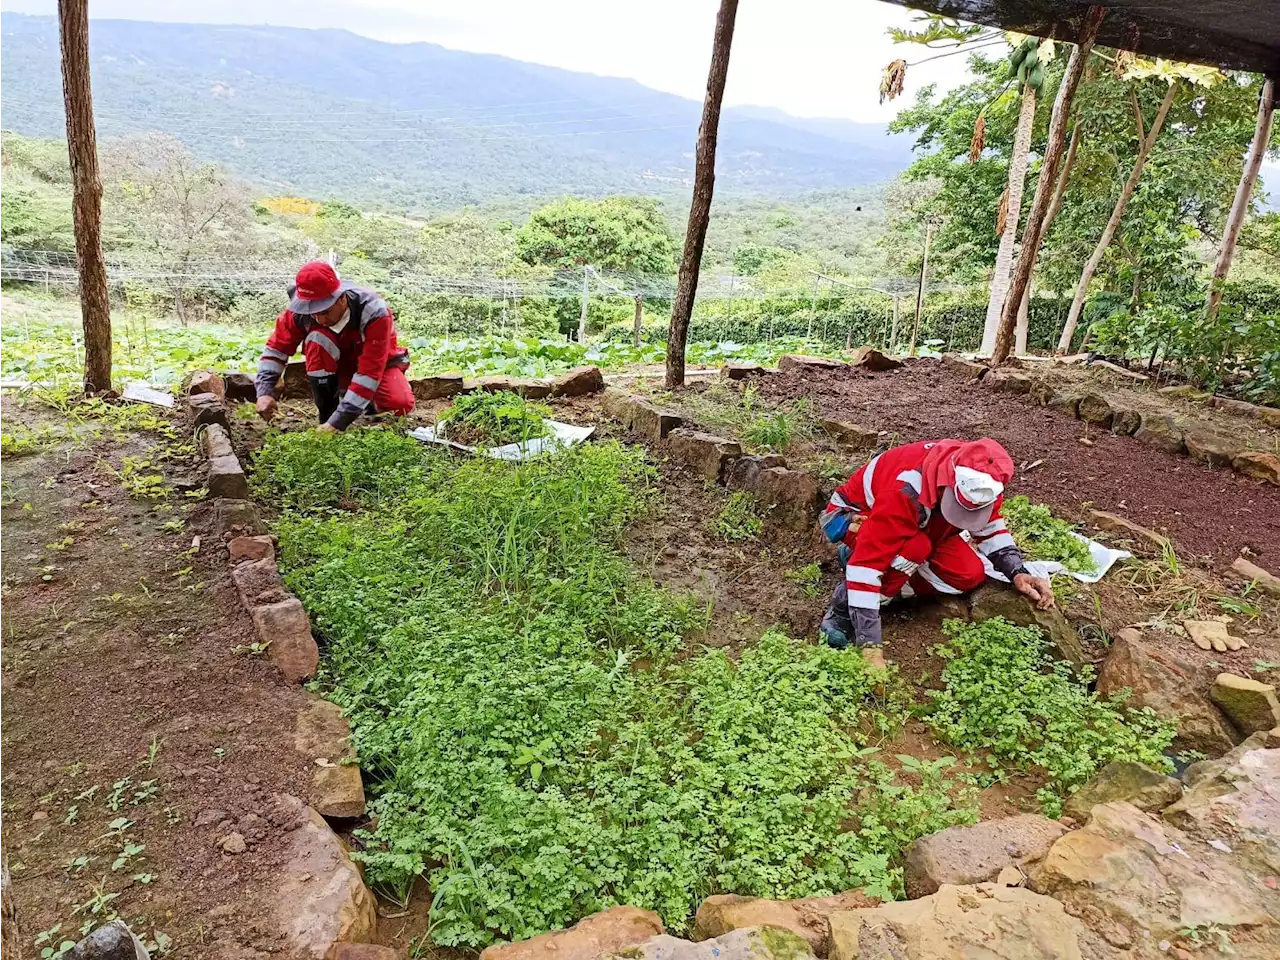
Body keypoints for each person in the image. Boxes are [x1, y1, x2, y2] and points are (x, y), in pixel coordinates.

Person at [818, 437, 1054, 668]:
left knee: (968, 574)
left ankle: (881, 580)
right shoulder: (905, 490)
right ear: (948, 482)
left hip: (928, 522)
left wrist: (1017, 571)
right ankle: (845, 606)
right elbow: (866, 568)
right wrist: (870, 646)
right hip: (857, 516)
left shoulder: (988, 476)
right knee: (914, 548)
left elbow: (989, 524)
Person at [254, 261, 415, 433]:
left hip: (378, 367)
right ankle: (328, 415)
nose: (319, 319)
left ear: (342, 298)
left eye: (324, 311)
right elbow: (276, 350)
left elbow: (370, 371)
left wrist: (340, 422)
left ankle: (361, 404)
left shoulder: (374, 312)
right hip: (336, 368)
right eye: (312, 312)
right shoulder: (300, 311)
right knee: (317, 340)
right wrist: (264, 392)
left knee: (399, 404)